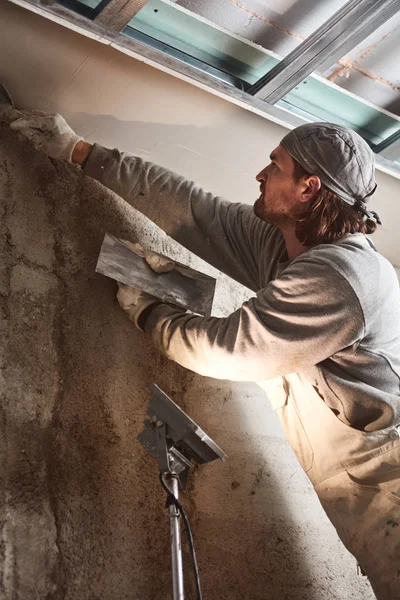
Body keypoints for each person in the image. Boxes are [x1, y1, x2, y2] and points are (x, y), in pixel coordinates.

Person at [5, 109, 400, 599]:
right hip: (361, 495)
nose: (260, 174)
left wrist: (147, 310)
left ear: (308, 188)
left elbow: (229, 350)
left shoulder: (341, 277)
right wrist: (80, 152)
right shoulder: (286, 247)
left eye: (274, 166)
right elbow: (194, 210)